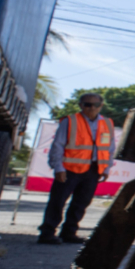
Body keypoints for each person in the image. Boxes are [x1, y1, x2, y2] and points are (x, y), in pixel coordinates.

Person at [38, 93, 115, 245]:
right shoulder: (70, 121)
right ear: (80, 105)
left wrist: (106, 169)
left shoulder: (107, 123)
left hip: (93, 170)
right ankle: (47, 233)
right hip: (69, 169)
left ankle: (69, 232)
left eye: (95, 105)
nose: (91, 108)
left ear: (101, 106)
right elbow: (58, 145)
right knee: (58, 201)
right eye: (87, 104)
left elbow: (110, 148)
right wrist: (58, 168)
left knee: (81, 203)